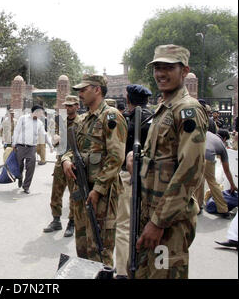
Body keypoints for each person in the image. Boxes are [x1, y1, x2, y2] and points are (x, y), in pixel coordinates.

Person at [132, 44, 208, 279]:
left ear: (185, 71)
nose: (161, 73)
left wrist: (159, 222)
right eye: (157, 67)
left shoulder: (187, 110)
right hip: (150, 214)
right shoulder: (164, 108)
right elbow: (161, 158)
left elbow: (190, 171)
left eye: (168, 67)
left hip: (169, 222)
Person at [62, 74, 127, 267]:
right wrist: (66, 160)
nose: (80, 94)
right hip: (82, 192)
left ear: (97, 89)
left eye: (84, 90)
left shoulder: (111, 116)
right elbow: (71, 149)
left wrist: (98, 189)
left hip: (102, 195)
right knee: (82, 247)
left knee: (100, 248)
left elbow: (116, 157)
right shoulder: (83, 120)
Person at [115, 84, 153, 279]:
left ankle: (122, 270)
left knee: (124, 224)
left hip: (128, 175)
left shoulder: (127, 121)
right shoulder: (155, 119)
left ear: (128, 100)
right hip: (153, 179)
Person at [43, 95, 81, 237]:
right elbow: (53, 138)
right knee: (56, 191)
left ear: (77, 106)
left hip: (74, 162)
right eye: (66, 105)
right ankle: (56, 220)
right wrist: (55, 139)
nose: (68, 108)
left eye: (71, 105)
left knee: (73, 194)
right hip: (60, 160)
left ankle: (72, 222)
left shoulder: (82, 122)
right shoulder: (59, 121)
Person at [194, 131, 237, 217]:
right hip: (207, 157)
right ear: (224, 139)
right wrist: (232, 184)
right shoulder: (222, 145)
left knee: (199, 180)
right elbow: (226, 170)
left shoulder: (208, 133)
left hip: (195, 154)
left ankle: (197, 206)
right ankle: (223, 209)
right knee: (212, 182)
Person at [12, 105, 53, 194]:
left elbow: (44, 134)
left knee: (31, 168)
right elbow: (16, 131)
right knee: (19, 166)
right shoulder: (23, 118)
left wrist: (50, 145)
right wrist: (14, 143)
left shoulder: (39, 123)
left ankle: (26, 186)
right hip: (21, 146)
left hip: (31, 148)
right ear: (36, 112)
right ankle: (20, 177)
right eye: (41, 113)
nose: (42, 115)